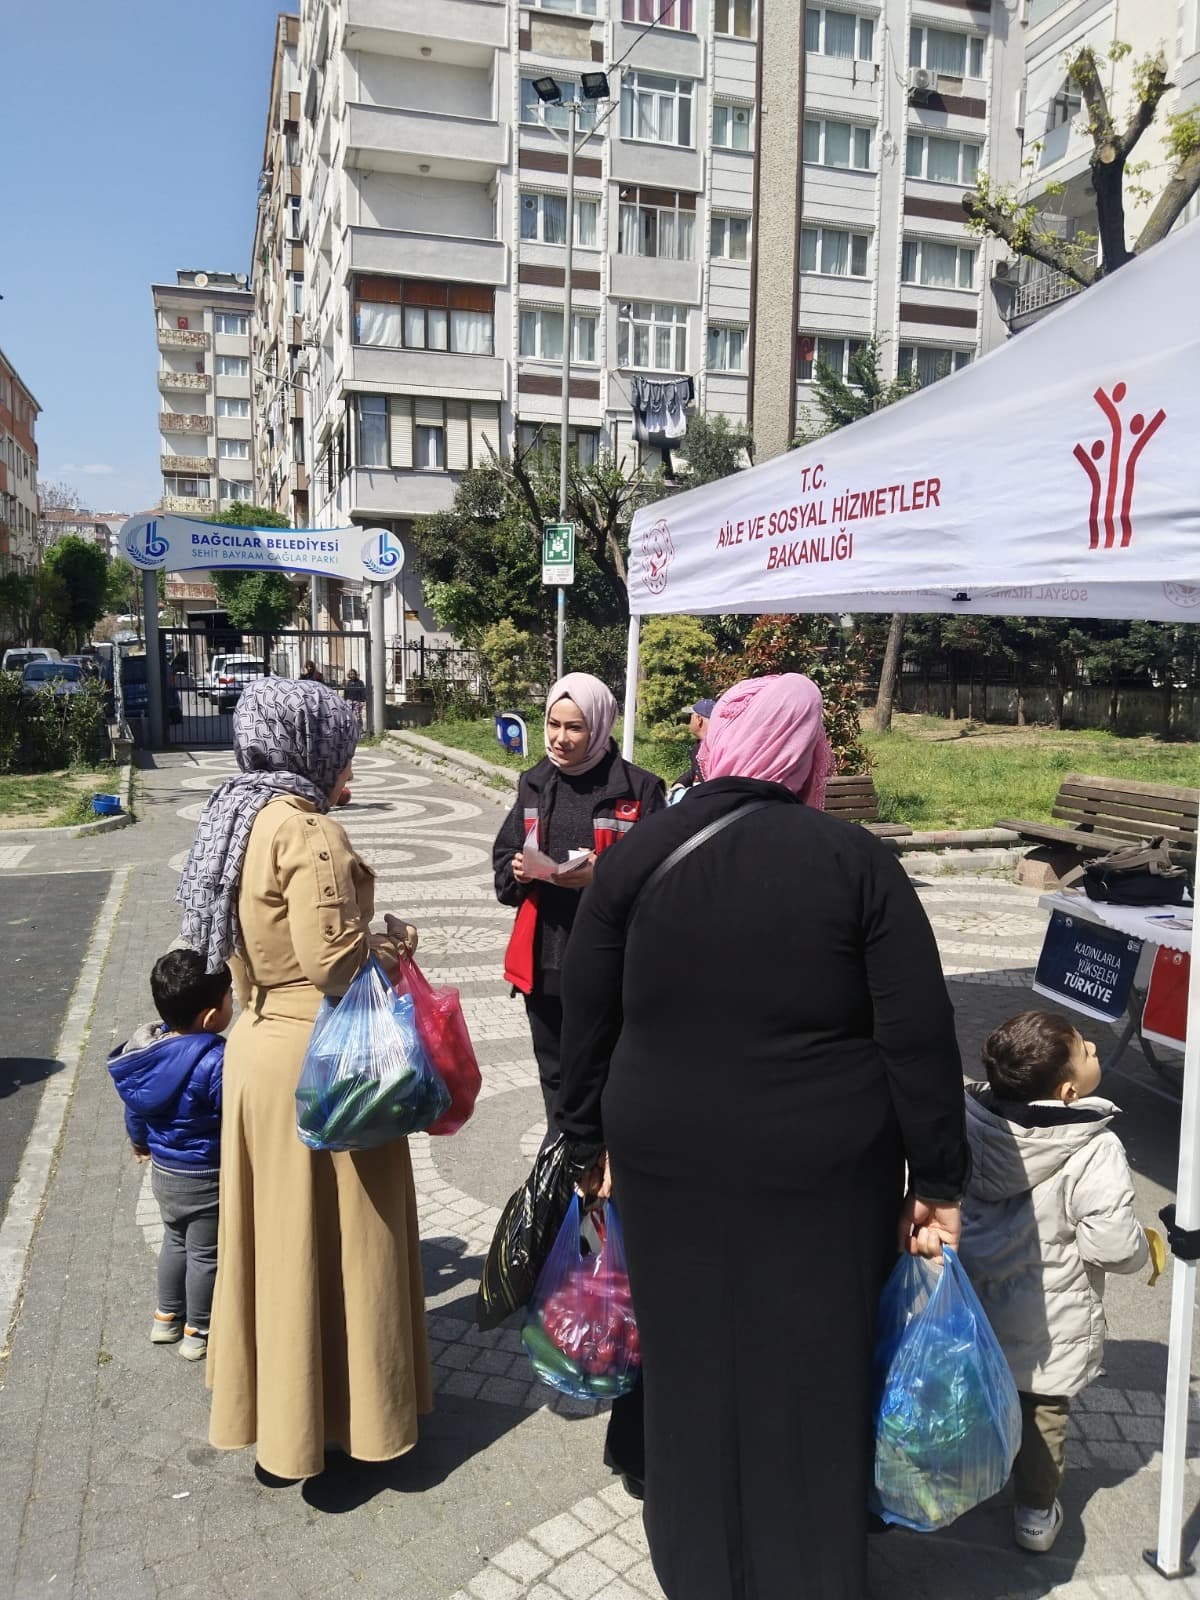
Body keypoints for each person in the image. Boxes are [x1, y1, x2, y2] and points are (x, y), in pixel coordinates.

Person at [555, 673, 968, 1600]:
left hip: (667, 1163)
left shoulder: (636, 854)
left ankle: (699, 1566)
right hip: (821, 1175)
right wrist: (939, 1175)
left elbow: (585, 1014)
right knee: (813, 1365)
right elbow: (918, 1034)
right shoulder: (855, 861)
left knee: (688, 1355)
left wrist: (585, 1146)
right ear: (807, 753)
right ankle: (811, 1569)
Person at [176, 676, 425, 1482]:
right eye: (341, 749)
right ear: (309, 746)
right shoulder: (309, 830)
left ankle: (282, 1421)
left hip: (255, 1045)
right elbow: (335, 966)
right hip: (320, 1062)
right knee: (349, 1239)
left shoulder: (239, 812)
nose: (347, 766)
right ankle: (348, 1425)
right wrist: (395, 946)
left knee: (279, 1246)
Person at [959, 1010, 1148, 1555]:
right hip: (1048, 1325)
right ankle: (1036, 1516)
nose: (1095, 1048)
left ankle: (967, 1477)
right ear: (1068, 1092)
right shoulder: (1094, 1147)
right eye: (1088, 1048)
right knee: (1043, 1417)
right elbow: (1112, 1245)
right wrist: (1142, 1253)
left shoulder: (972, 1119)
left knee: (979, 1397)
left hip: (975, 1300)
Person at [493, 672, 665, 1123]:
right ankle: (565, 1171)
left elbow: (663, 877)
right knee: (555, 1076)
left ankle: (606, 1175)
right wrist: (516, 868)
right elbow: (505, 854)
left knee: (606, 1076)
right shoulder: (534, 782)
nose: (560, 738)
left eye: (575, 727)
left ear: (600, 726)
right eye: (553, 724)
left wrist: (600, 876)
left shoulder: (640, 789)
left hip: (610, 963)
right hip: (545, 958)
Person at [107, 949, 232, 1362]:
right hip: (207, 1174)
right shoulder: (215, 1058)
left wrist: (139, 1141)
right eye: (231, 998)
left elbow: (137, 1106)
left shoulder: (148, 1053)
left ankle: (166, 1316)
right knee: (204, 1254)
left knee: (174, 1241)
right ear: (211, 1016)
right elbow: (231, 1115)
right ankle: (199, 1328)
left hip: (163, 1170)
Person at [670, 697, 714, 795]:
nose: (689, 720)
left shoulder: (710, 749)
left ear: (698, 719)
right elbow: (695, 770)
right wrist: (680, 783)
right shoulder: (704, 745)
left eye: (691, 716)